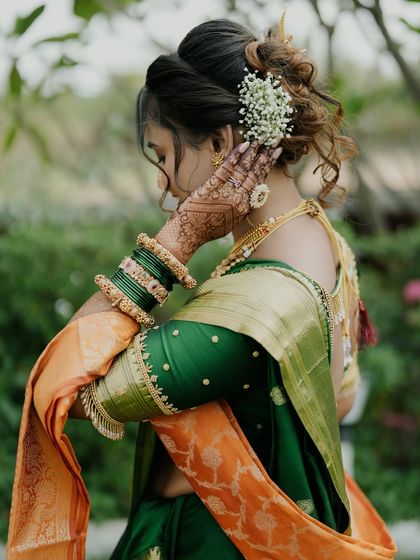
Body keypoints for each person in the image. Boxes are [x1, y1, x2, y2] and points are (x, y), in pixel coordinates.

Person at [7, 16, 397, 560]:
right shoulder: (325, 246)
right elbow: (343, 394)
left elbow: (60, 388)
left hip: (210, 540)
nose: (162, 182)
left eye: (164, 156)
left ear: (220, 142)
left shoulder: (258, 308)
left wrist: (178, 240)